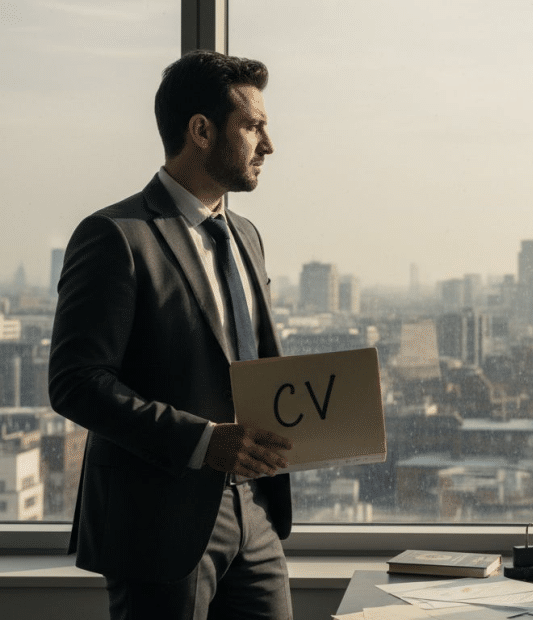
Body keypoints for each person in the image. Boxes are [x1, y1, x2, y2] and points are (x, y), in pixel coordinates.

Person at [49, 50, 294, 620]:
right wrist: (206, 441)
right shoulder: (115, 236)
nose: (269, 144)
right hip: (158, 521)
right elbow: (75, 384)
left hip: (255, 513)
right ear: (202, 131)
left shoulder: (247, 236)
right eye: (254, 126)